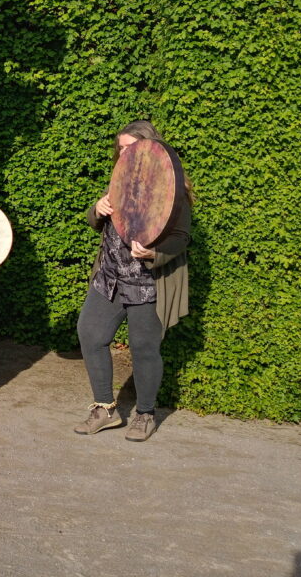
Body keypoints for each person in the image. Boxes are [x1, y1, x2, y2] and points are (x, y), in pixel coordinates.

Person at [74, 120, 191, 442]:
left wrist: (154, 254)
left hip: (148, 284)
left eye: (130, 148)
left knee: (144, 349)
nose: (123, 153)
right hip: (109, 278)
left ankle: (145, 414)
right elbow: (96, 220)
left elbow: (181, 238)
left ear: (149, 149)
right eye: (121, 148)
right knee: (90, 333)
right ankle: (104, 409)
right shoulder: (119, 183)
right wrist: (97, 210)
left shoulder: (171, 190)